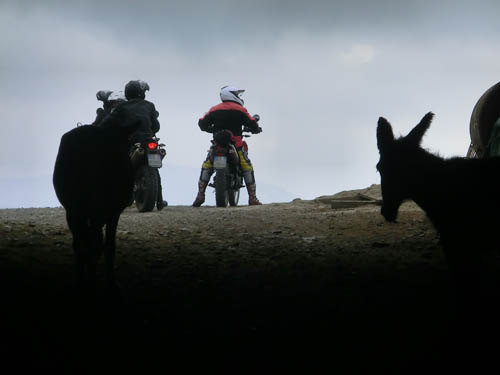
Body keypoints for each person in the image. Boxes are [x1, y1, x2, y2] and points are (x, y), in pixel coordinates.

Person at [99, 80, 167, 210]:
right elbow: (156, 126)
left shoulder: (122, 108)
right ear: (141, 93)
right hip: (148, 140)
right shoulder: (149, 105)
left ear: (127, 93)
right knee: (155, 169)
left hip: (131, 141)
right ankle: (159, 201)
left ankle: (117, 197)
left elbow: (107, 123)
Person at [192, 85, 262, 207]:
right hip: (236, 145)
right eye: (237, 94)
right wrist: (255, 129)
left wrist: (211, 129)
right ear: (232, 95)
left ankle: (200, 195)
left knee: (207, 165)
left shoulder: (214, 110)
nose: (238, 97)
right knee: (247, 166)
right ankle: (252, 198)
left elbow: (202, 123)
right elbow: (252, 123)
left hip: (217, 145)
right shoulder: (241, 110)